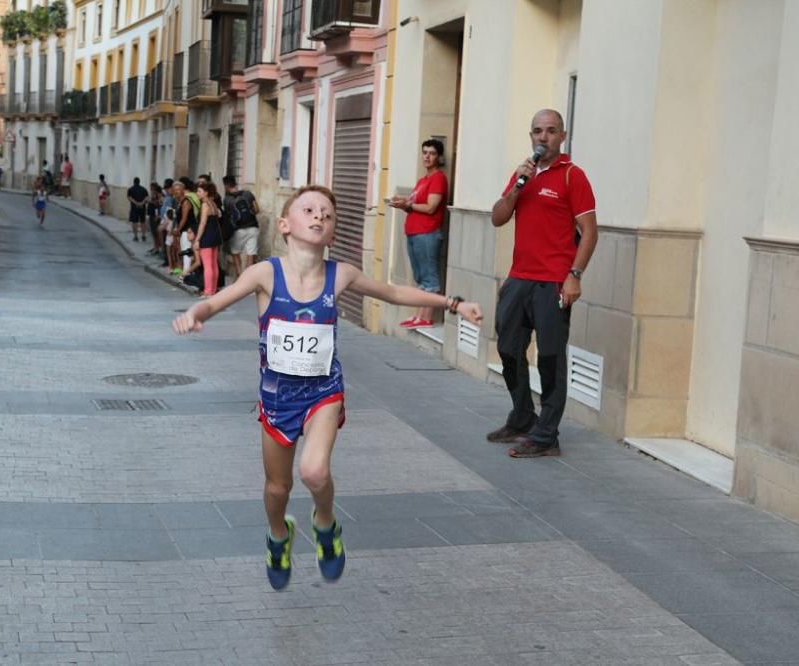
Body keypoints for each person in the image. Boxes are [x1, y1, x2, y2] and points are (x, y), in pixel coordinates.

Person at [172, 185, 482, 590]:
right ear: (285, 224)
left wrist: (453, 304)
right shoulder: (266, 274)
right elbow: (217, 301)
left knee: (314, 472)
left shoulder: (341, 275)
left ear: (333, 232)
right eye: (309, 210)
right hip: (277, 398)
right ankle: (278, 536)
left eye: (327, 214)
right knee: (277, 488)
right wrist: (196, 312)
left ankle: (325, 523)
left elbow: (391, 292)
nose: (318, 216)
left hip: (323, 393)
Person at [488, 109, 598, 458]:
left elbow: (591, 232)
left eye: (551, 131)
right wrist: (517, 186)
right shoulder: (524, 174)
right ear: (531, 135)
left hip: (553, 282)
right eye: (537, 131)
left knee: (550, 357)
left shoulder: (572, 176)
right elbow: (498, 218)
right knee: (507, 348)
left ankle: (546, 434)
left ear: (562, 136)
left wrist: (574, 276)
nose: (543, 137)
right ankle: (522, 416)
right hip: (520, 277)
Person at [390, 139, 449, 328]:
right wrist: (402, 204)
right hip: (415, 232)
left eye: (432, 153)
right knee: (420, 277)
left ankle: (426, 317)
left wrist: (408, 204)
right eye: (425, 152)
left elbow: (431, 207)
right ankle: (418, 316)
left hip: (428, 232)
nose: (427, 156)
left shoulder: (438, 178)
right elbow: (413, 206)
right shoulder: (422, 180)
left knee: (430, 277)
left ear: (439, 157)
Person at [222, 175, 260, 277]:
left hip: (238, 230)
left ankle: (239, 275)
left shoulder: (227, 200)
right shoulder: (248, 194)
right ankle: (248, 277)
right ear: (235, 183)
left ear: (226, 185)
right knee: (251, 253)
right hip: (253, 227)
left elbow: (228, 216)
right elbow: (257, 210)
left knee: (235, 252)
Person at [192, 182, 222, 296]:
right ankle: (213, 290)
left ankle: (208, 291)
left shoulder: (205, 205)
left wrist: (197, 239)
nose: (197, 193)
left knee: (208, 265)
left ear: (206, 193)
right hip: (215, 236)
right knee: (214, 264)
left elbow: (203, 223)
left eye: (199, 191)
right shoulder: (213, 203)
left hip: (206, 237)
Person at [127, 177, 149, 242]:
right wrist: (141, 203)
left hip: (134, 208)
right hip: (142, 207)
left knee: (134, 222)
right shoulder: (144, 189)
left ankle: (136, 236)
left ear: (134, 182)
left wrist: (136, 203)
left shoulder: (130, 189)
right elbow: (147, 197)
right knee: (143, 221)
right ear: (139, 182)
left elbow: (129, 197)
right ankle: (143, 235)